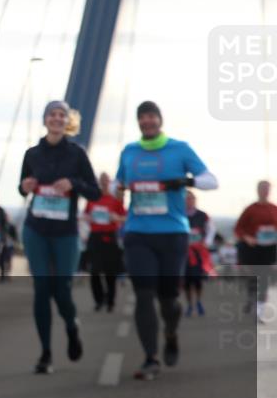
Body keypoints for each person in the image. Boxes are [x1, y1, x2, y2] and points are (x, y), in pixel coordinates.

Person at [114, 101, 218, 381]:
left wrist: (185, 182)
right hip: (138, 233)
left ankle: (171, 333)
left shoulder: (179, 149)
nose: (147, 122)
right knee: (144, 295)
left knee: (168, 300)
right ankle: (151, 357)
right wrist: (118, 189)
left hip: (172, 234)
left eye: (151, 117)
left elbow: (211, 180)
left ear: (160, 119)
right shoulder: (129, 152)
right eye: (142, 118)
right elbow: (116, 184)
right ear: (138, 122)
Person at [18, 101, 100, 374]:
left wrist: (73, 184)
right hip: (36, 229)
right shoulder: (32, 154)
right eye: (51, 114)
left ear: (68, 122)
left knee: (61, 289)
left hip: (65, 232)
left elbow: (95, 192)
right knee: (42, 289)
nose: (56, 118)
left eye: (61, 115)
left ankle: (71, 325)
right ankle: (45, 354)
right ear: (45, 120)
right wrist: (25, 186)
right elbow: (23, 187)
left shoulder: (77, 154)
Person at [82, 172, 126, 312]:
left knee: (110, 272)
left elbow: (125, 218)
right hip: (95, 236)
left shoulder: (115, 200)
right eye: (101, 180)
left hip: (109, 237)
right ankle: (99, 300)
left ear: (109, 182)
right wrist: (87, 218)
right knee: (94, 271)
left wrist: (116, 218)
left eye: (106, 180)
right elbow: (85, 215)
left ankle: (111, 301)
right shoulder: (92, 199)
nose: (103, 183)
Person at [234, 180, 277, 323]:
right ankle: (251, 298)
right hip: (252, 249)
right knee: (252, 279)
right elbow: (238, 229)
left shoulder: (274, 209)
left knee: (264, 279)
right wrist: (247, 238)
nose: (265, 191)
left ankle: (259, 313)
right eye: (262, 188)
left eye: (267, 188)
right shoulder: (250, 209)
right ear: (258, 190)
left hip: (269, 250)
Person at [183, 191, 214, 317]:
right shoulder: (179, 215)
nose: (190, 201)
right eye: (187, 199)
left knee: (197, 279)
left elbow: (211, 229)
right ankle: (190, 304)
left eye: (192, 198)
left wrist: (207, 242)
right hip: (184, 253)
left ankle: (199, 302)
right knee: (186, 281)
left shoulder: (202, 215)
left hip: (198, 253)